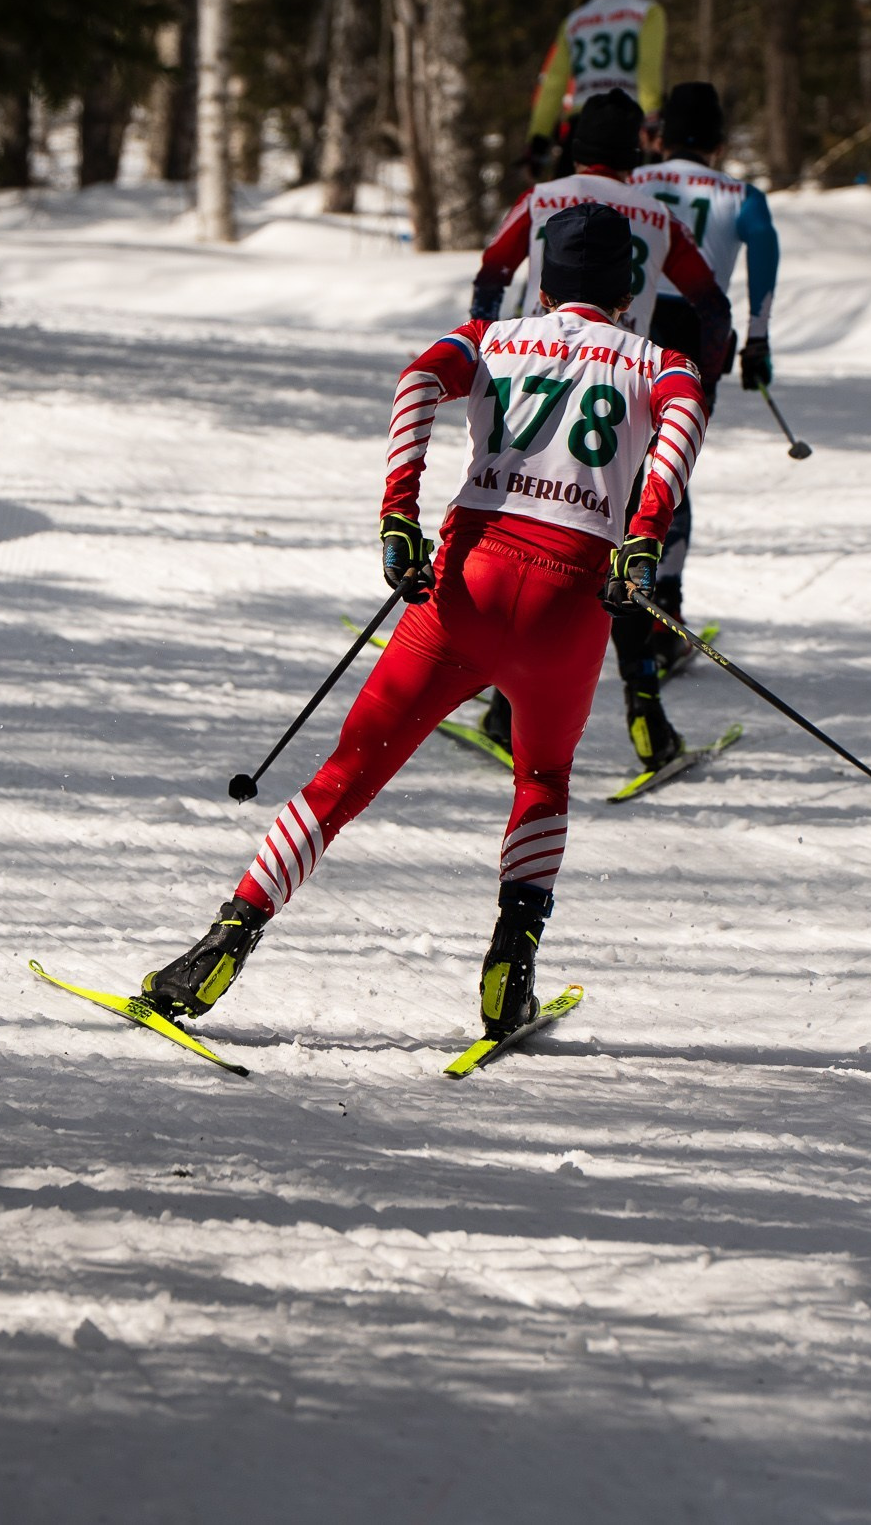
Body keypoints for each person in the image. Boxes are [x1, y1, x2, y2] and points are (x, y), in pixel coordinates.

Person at [142, 204, 709, 1040]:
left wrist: (398, 512)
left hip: (465, 586)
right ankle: (508, 972)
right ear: (627, 293)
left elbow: (416, 380)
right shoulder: (657, 358)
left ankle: (224, 941)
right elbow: (684, 414)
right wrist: (644, 536)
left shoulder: (489, 335)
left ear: (542, 280)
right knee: (541, 779)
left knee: (341, 780)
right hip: (569, 603)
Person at [472, 89, 730, 768]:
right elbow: (709, 302)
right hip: (623, 390)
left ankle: (504, 704)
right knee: (617, 556)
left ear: (575, 143)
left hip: (531, 384)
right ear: (637, 148)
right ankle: (645, 713)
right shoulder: (656, 213)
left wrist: (488, 340)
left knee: (520, 536)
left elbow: (492, 270)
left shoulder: (542, 197)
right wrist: (702, 380)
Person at [620, 80, 782, 746]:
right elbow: (764, 252)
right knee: (670, 468)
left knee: (616, 459)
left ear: (662, 133)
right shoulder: (739, 195)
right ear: (719, 140)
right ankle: (662, 612)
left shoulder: (629, 178)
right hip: (697, 325)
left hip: (628, 322)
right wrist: (759, 333)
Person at [522, 0, 667, 182]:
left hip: (583, 127)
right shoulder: (646, 12)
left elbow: (553, 84)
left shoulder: (575, 20)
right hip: (627, 122)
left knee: (566, 208)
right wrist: (652, 117)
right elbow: (648, 70)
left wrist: (538, 139)